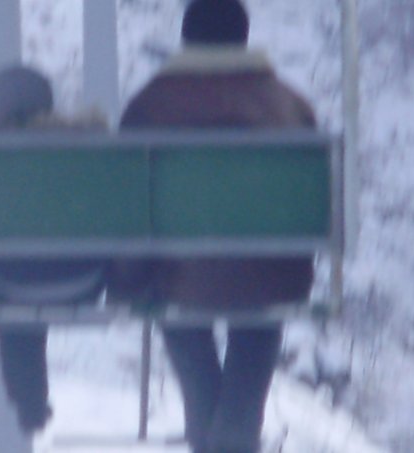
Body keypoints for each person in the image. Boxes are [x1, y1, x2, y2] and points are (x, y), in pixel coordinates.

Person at [119, 1, 316, 452]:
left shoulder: (151, 104)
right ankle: (231, 438)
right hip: (269, 276)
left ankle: (220, 439)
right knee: (258, 321)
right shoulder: (288, 105)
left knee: (179, 315)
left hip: (180, 277)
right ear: (243, 40)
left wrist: (128, 282)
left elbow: (128, 203)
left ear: (186, 40)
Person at [0, 65, 109, 434]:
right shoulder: (84, 144)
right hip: (85, 280)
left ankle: (29, 402)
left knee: (13, 308)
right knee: (32, 277)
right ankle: (29, 402)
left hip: (16, 285)